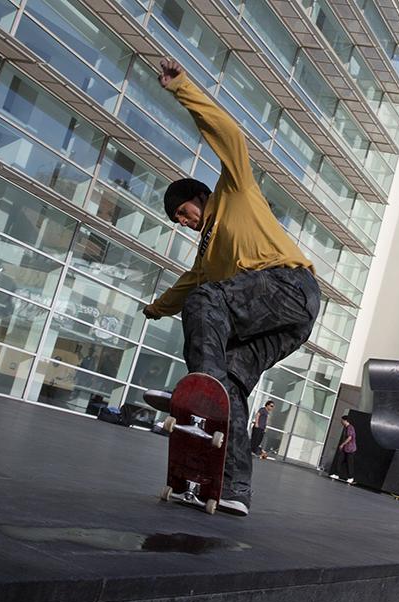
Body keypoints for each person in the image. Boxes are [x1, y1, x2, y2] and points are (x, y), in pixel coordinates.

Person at [141, 58, 320, 517]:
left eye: (184, 213)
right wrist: (157, 308)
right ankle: (233, 487)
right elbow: (187, 283)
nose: (184, 223)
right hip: (285, 323)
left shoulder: (234, 190)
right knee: (233, 384)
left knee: (208, 300)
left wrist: (182, 87)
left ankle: (200, 385)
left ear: (199, 197)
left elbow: (228, 134)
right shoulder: (206, 258)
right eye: (179, 221)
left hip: (289, 286)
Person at [329, 415, 358, 483]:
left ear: (345, 420)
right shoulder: (345, 428)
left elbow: (350, 437)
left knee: (349, 464)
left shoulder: (350, 427)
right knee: (339, 460)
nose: (341, 421)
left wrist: (342, 444)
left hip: (350, 450)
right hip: (345, 449)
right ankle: (336, 474)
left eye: (342, 420)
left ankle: (351, 478)